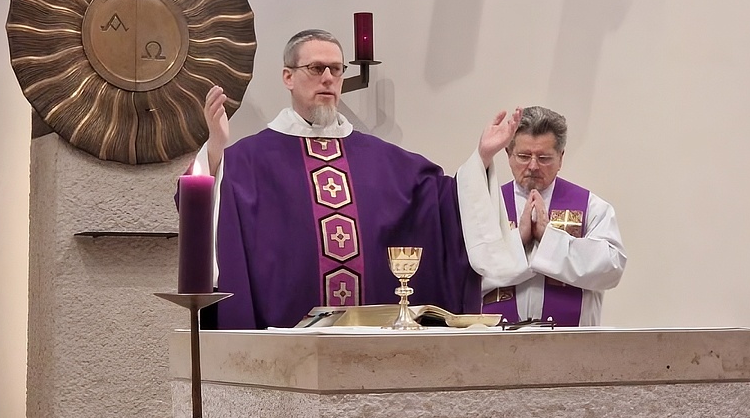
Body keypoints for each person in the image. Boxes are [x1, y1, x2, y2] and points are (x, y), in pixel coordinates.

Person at [200, 29, 524, 329]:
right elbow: (203, 202)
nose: (328, 78)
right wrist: (215, 149)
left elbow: (443, 204)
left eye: (336, 70)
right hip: (283, 339)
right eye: (315, 69)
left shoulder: (381, 159)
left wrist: (481, 157)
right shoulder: (249, 159)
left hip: (368, 341)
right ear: (288, 77)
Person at [480, 106, 626, 326]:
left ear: (561, 157)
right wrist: (518, 239)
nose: (533, 166)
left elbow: (611, 269)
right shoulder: (485, 207)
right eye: (523, 156)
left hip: (570, 347)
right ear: (508, 155)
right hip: (494, 347)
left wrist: (549, 239)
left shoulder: (593, 207)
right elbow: (462, 276)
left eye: (544, 158)